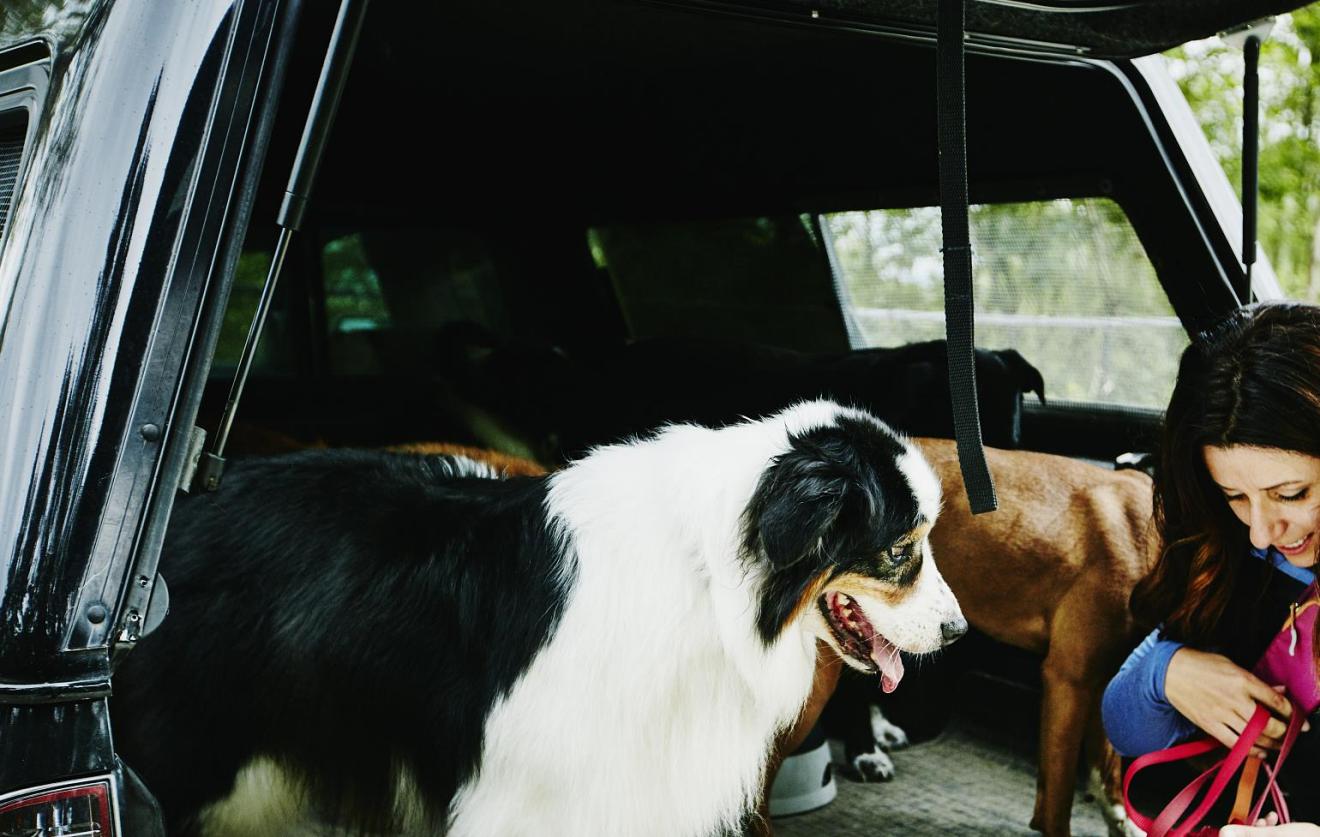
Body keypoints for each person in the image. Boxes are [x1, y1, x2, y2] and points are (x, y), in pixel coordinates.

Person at [1102, 302, 1320, 831]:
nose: (1262, 532)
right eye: (1235, 497)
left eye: (1291, 494)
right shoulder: (1241, 554)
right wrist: (1167, 673)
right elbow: (1126, 727)